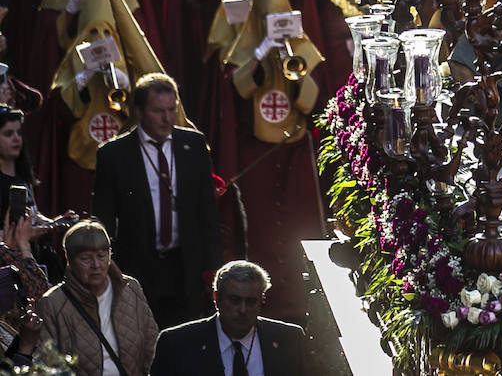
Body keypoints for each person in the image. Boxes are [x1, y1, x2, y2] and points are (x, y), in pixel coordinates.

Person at [91, 73, 222, 328]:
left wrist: (213, 268)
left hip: (187, 268)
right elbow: (103, 217)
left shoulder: (193, 144)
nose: (167, 118)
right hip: (137, 268)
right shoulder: (113, 154)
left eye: (172, 109)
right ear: (139, 112)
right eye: (158, 111)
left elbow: (208, 213)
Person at [35, 220, 159, 376]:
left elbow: (153, 349)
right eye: (86, 258)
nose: (96, 265)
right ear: (68, 258)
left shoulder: (130, 288)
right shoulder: (52, 303)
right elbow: (45, 366)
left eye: (101, 256)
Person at [150, 261, 305, 376]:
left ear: (262, 300)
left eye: (251, 301)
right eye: (235, 300)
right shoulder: (176, 344)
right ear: (216, 298)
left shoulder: (290, 340)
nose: (243, 310)